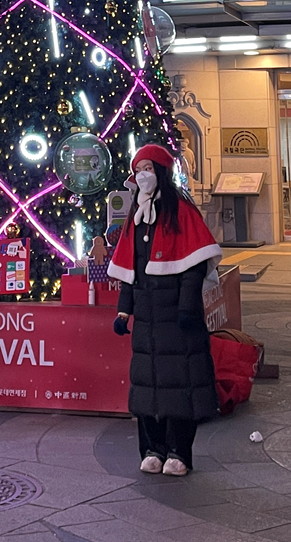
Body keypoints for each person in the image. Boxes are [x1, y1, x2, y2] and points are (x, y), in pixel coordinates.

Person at [107, 144, 222, 476]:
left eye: (148, 168)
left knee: (179, 388)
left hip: (177, 319)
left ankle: (179, 452)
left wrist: (187, 307)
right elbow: (129, 269)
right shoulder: (136, 216)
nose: (143, 175)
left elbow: (194, 264)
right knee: (147, 388)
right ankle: (152, 448)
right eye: (138, 169)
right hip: (146, 319)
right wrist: (123, 312)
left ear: (161, 171)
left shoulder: (181, 211)